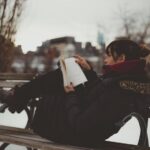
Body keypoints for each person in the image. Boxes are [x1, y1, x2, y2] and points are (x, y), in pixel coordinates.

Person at [1, 39, 150, 148]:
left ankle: (16, 98)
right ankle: (18, 98)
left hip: (77, 134)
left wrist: (71, 95)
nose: (105, 59)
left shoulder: (120, 89)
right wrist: (89, 72)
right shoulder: (127, 79)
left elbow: (82, 124)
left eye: (109, 55)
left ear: (122, 58)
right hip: (84, 128)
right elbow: (100, 97)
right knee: (64, 74)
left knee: (58, 79)